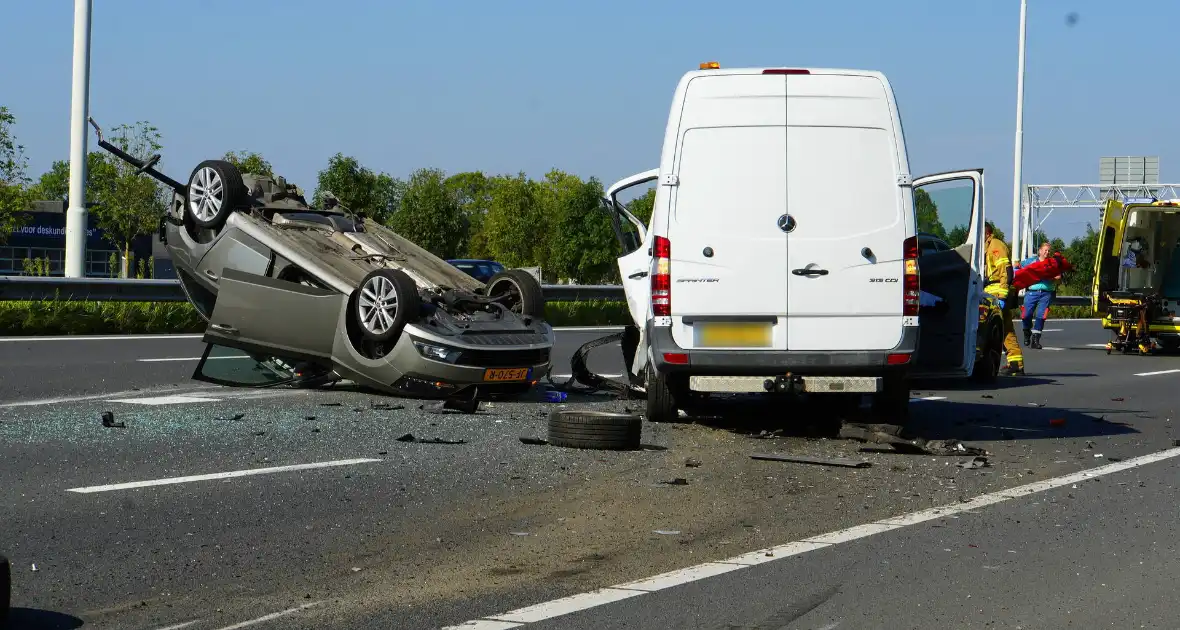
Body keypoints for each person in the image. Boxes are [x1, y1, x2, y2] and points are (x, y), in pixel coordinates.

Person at [984, 222, 1024, 375]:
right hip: (991, 292)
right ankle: (1015, 363)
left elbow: (1006, 272)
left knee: (1004, 330)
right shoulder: (988, 246)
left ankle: (1016, 364)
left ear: (987, 233)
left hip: (997, 293)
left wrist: (1002, 296)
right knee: (1005, 330)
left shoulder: (995, 246)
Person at [1018, 242, 1061, 350]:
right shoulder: (1031, 261)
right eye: (1045, 250)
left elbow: (1058, 276)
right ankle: (1026, 331)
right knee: (1026, 314)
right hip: (1032, 291)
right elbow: (1018, 266)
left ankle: (1035, 340)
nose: (1047, 252)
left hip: (1046, 293)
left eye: (1048, 251)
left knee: (1041, 316)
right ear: (1040, 251)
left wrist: (1050, 276)